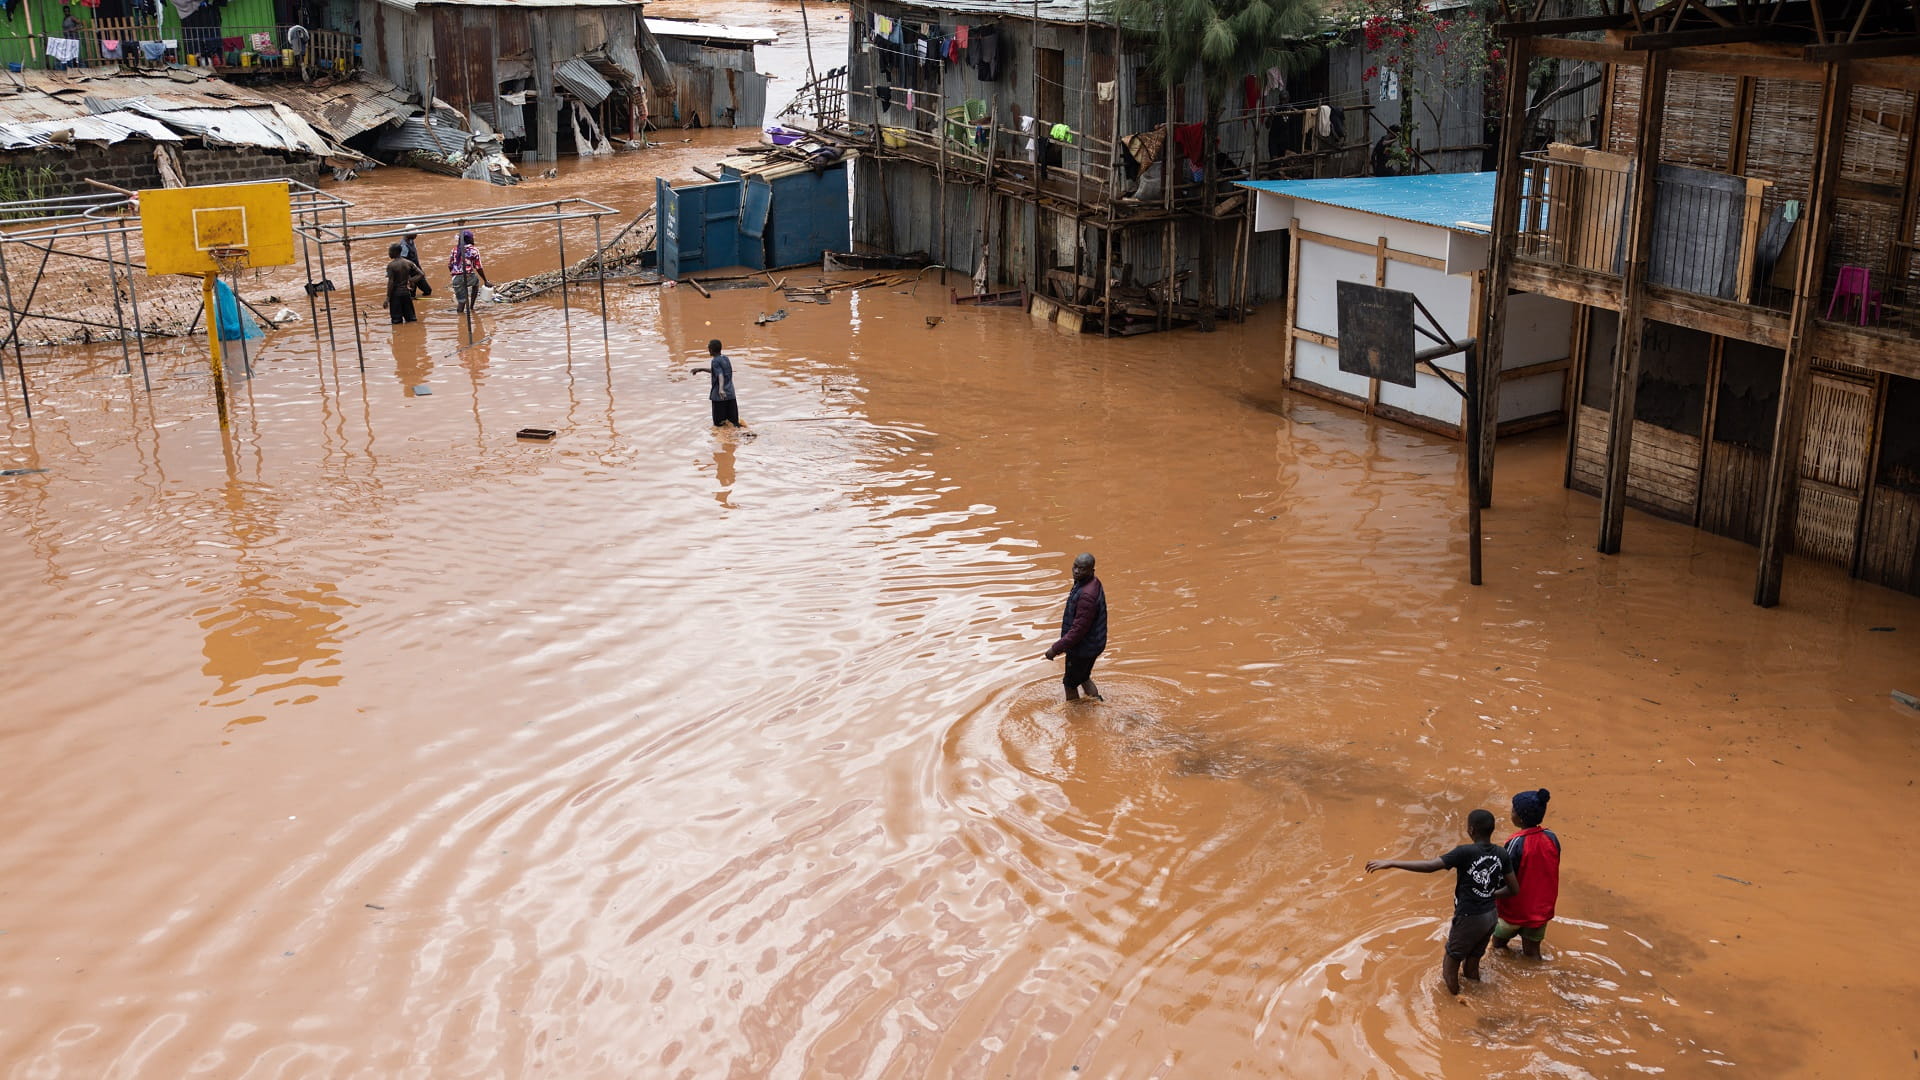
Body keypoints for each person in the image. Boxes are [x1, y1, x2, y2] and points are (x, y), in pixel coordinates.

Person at [1366, 808, 1519, 996]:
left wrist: (1392, 862)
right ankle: (1477, 995)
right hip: (1490, 917)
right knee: (1472, 962)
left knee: (1450, 965)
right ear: (1492, 830)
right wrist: (1487, 894)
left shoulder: (1464, 852)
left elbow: (1431, 866)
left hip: (1469, 917)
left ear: (1470, 830)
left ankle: (1455, 1002)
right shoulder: (1501, 853)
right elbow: (1514, 889)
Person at [1493, 788, 1561, 959]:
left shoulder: (1515, 842)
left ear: (1520, 817)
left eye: (1513, 809)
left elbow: (1505, 875)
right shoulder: (1552, 837)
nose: (1511, 812)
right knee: (1532, 953)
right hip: (1541, 910)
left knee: (1498, 945)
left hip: (1514, 911)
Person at [1042, 553, 1106, 701]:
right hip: (1092, 644)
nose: (1076, 571)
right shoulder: (1091, 583)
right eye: (1075, 567)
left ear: (1091, 571)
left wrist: (1055, 649)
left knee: (1070, 684)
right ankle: (1097, 702)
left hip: (1083, 648)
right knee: (1083, 677)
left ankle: (1076, 717)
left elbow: (1078, 630)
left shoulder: (1086, 595)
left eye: (1082, 569)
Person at [690, 338, 740, 427]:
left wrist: (721, 389)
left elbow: (720, 375)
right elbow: (718, 372)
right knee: (734, 423)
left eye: (708, 348)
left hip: (719, 398)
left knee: (719, 426)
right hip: (730, 395)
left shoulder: (715, 361)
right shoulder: (725, 358)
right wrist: (701, 369)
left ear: (711, 350)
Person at [447, 229, 490, 313]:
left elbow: (450, 265)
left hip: (456, 279)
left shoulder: (455, 249)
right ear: (470, 239)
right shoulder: (474, 250)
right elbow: (478, 267)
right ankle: (471, 307)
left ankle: (460, 320)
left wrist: (453, 276)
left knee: (461, 302)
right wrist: (485, 281)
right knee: (476, 282)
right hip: (469, 276)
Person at [384, 243, 425, 324]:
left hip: (395, 295)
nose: (389, 253)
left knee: (396, 321)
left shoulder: (391, 266)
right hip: (406, 293)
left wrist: (387, 298)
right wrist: (411, 280)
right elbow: (421, 274)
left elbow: (391, 282)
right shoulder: (408, 262)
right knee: (411, 319)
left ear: (395, 252)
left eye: (390, 251)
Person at [398, 228, 431, 296]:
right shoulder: (404, 245)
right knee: (423, 291)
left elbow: (414, 257)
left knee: (426, 291)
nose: (416, 236)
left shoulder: (410, 240)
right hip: (411, 272)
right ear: (409, 234)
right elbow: (403, 262)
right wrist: (408, 277)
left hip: (416, 269)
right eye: (415, 234)